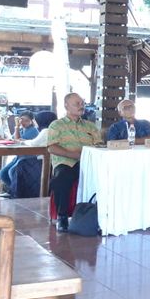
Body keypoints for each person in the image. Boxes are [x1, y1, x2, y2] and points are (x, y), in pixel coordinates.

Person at [48, 93, 101, 232]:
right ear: (66, 106)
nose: (81, 106)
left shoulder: (90, 126)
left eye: (82, 103)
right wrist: (73, 155)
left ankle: (102, 215)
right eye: (77, 104)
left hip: (89, 162)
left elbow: (99, 145)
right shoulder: (57, 125)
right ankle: (62, 217)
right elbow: (52, 147)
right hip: (66, 161)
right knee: (61, 178)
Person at [8, 111, 57, 199]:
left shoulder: (46, 131)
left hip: (43, 162)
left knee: (18, 167)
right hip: (50, 161)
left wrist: (22, 141)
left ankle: (18, 194)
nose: (36, 122)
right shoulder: (56, 130)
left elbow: (33, 143)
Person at [0, 111, 40, 195]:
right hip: (19, 157)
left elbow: (17, 141)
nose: (23, 122)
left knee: (12, 172)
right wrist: (1, 139)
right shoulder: (21, 129)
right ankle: (13, 191)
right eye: (22, 120)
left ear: (31, 121)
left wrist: (16, 127)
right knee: (2, 173)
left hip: (29, 159)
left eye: (26, 121)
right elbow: (12, 139)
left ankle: (17, 193)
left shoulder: (33, 130)